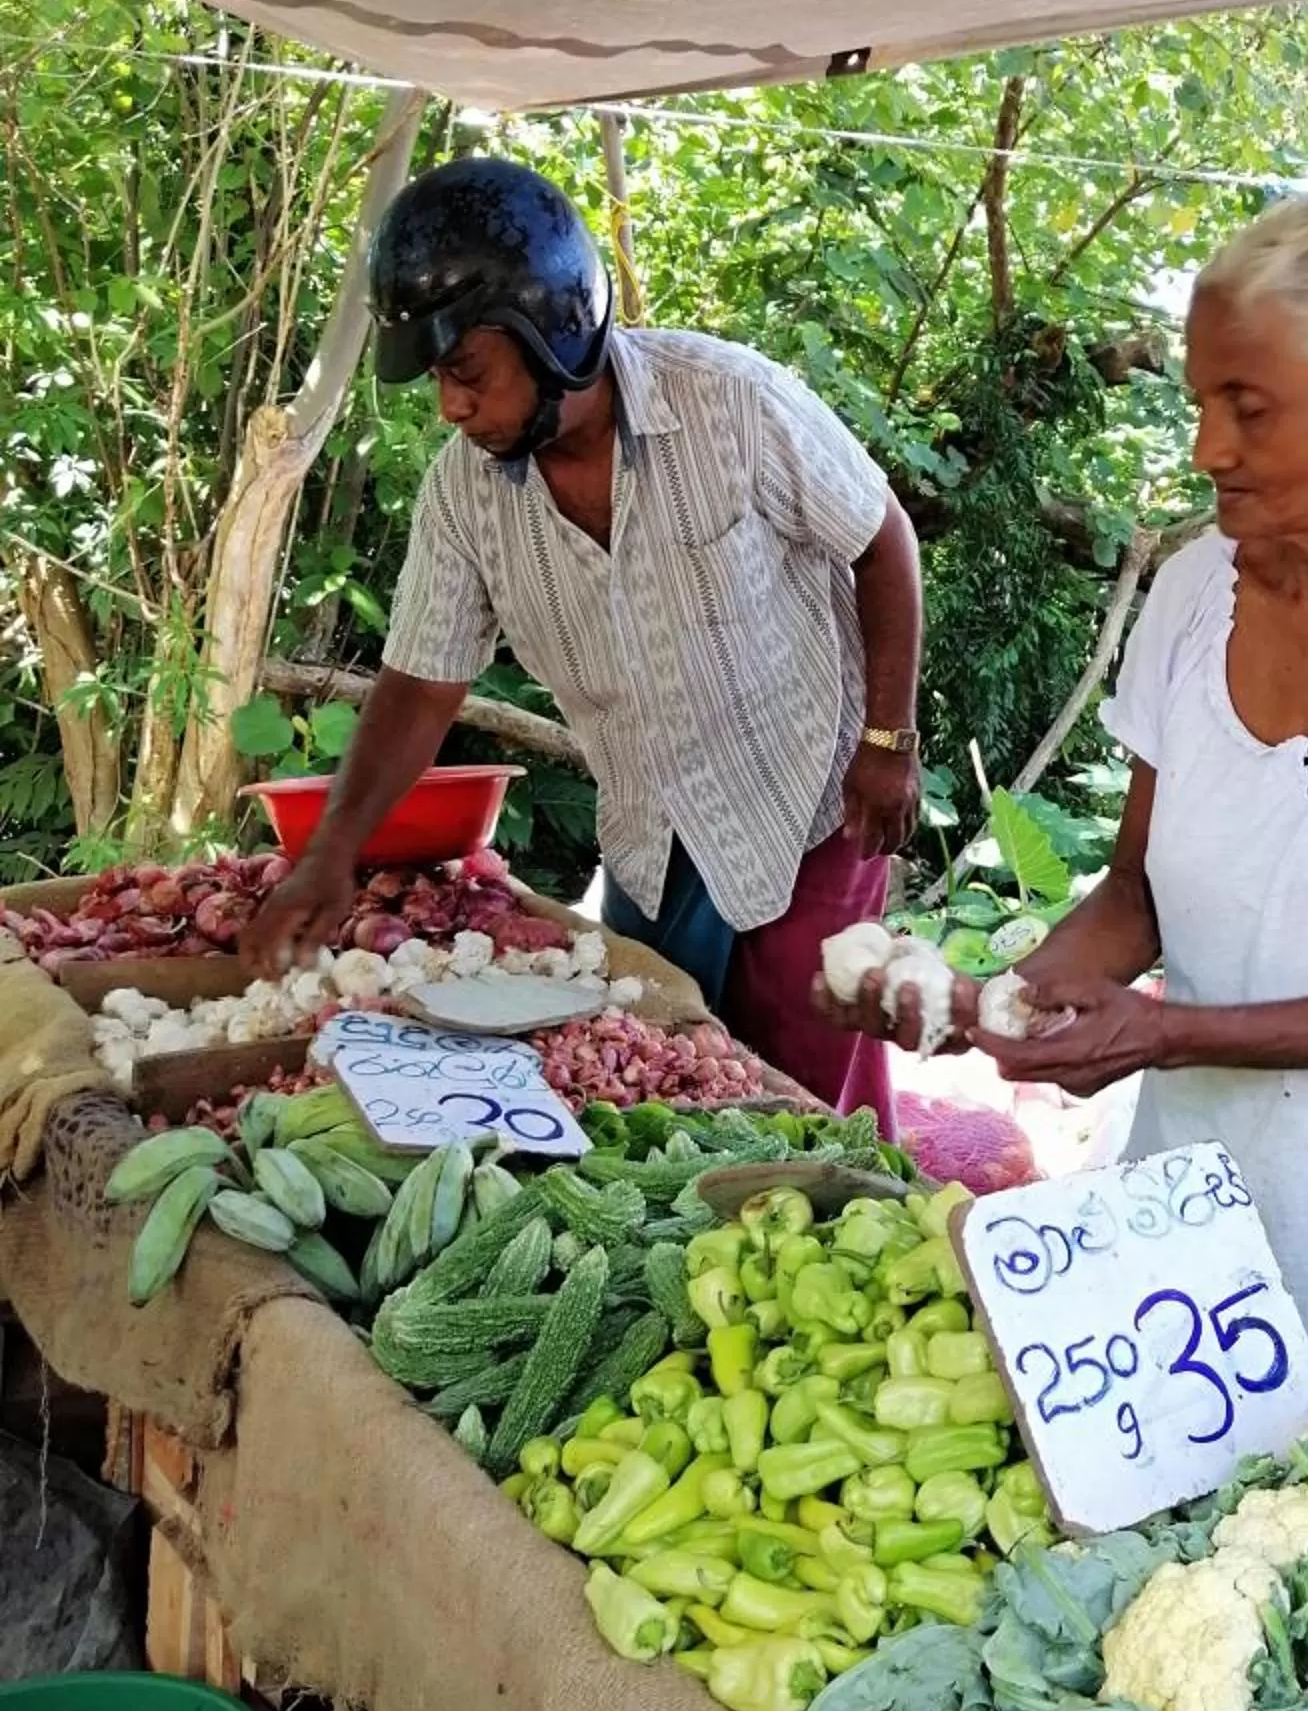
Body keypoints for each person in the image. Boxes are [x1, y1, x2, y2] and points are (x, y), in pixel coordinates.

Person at [821, 194, 1308, 1354]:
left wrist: (1165, 1034)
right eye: (1200, 404)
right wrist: (1000, 1007)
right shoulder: (1193, 595)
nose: (1206, 449)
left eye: (1249, 409)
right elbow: (1137, 893)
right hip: (1192, 1234)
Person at [245, 156, 924, 1124]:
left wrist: (888, 743)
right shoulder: (462, 494)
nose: (449, 407)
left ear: (552, 332)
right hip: (651, 838)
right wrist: (334, 851)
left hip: (808, 808)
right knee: (661, 1093)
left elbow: (882, 538)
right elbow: (418, 682)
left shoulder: (730, 403)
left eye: (465, 373)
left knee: (815, 1105)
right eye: (438, 381)